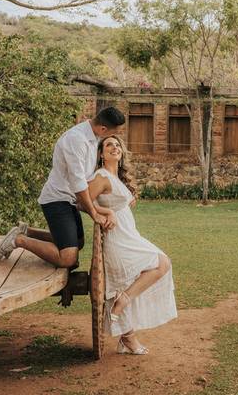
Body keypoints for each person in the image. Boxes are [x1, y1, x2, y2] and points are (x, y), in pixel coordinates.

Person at [0, 106, 126, 266]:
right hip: (57, 199)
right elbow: (78, 183)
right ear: (103, 128)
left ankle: (26, 231)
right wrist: (94, 213)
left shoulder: (93, 137)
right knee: (68, 258)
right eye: (112, 133)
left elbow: (87, 180)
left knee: (79, 242)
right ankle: (18, 240)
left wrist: (104, 209)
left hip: (70, 200)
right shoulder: (76, 139)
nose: (113, 137)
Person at [88, 135, 176, 354]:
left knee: (150, 271)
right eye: (109, 145)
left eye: (117, 145)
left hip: (129, 237)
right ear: (101, 153)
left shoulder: (115, 177)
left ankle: (126, 334)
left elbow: (117, 200)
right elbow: (82, 200)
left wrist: (122, 202)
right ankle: (125, 317)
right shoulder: (101, 176)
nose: (114, 147)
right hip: (118, 239)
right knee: (160, 264)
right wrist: (105, 212)